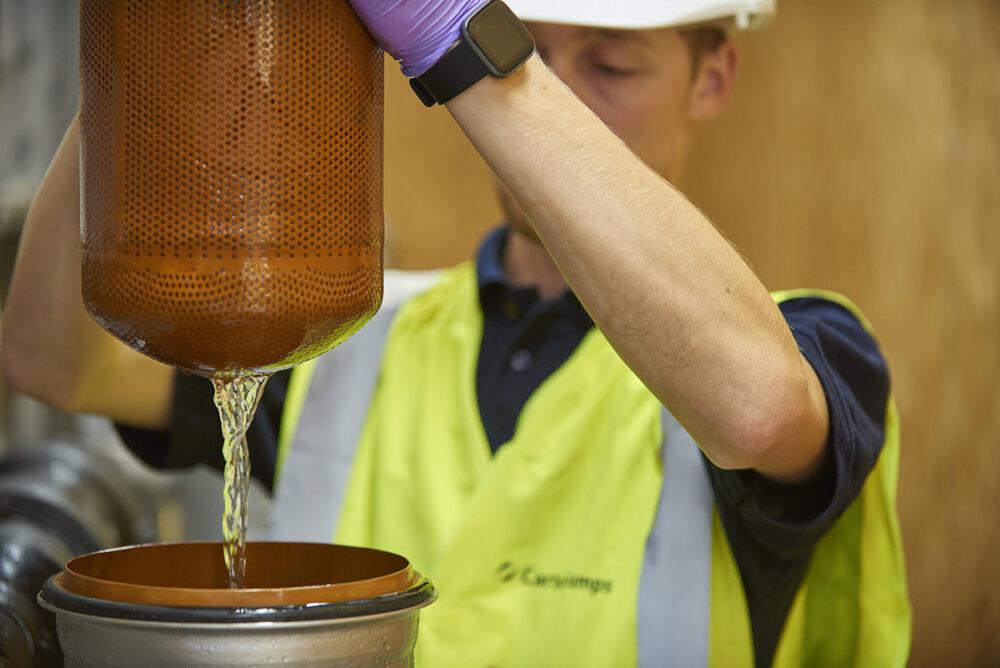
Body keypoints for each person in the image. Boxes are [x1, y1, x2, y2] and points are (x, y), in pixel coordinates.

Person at [1, 1, 911, 665]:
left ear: (711, 77)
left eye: (611, 65)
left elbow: (755, 413)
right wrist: (153, 43)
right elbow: (50, 355)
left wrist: (475, 50)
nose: (553, 98)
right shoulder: (346, 338)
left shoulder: (810, 345)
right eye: (533, 53)